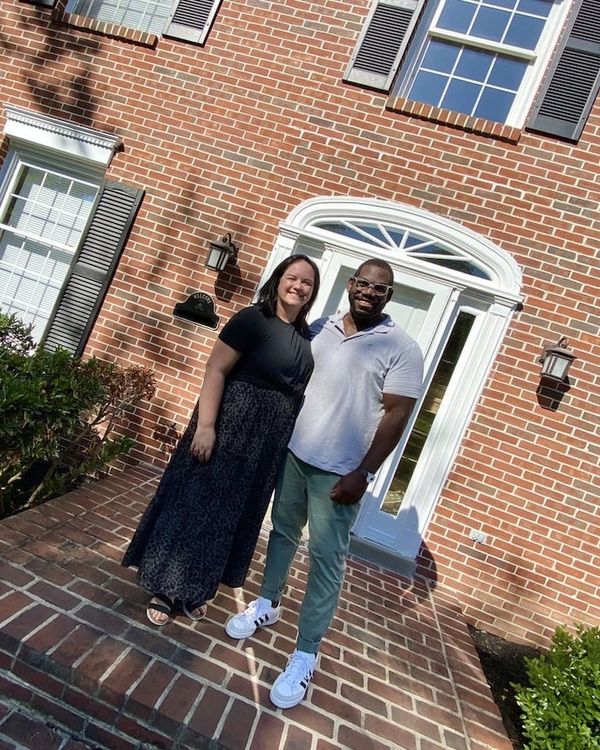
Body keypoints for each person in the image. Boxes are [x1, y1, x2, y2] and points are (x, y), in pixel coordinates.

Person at [225, 258, 424, 709]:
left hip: (341, 472)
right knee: (280, 533)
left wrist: (364, 472)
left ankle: (305, 652)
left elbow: (397, 414)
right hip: (295, 455)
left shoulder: (401, 348)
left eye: (380, 289)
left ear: (388, 296)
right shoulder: (321, 328)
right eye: (364, 285)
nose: (369, 293)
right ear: (351, 285)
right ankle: (268, 602)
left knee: (326, 558)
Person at [122, 254, 320, 626]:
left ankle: (196, 587)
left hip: (264, 442)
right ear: (278, 280)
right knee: (195, 504)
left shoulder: (304, 336)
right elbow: (216, 368)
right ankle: (164, 587)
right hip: (230, 424)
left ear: (313, 291)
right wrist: (206, 426)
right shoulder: (251, 320)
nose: (298, 286)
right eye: (292, 277)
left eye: (306, 282)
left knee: (228, 515)